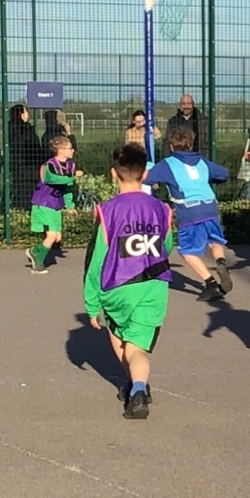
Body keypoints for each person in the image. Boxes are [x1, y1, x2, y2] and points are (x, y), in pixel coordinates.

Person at [83, 143, 176, 420]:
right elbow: (167, 246)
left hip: (117, 285)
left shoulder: (106, 211)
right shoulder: (162, 209)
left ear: (114, 173)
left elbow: (96, 260)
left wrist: (91, 303)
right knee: (137, 348)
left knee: (121, 340)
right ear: (145, 173)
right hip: (153, 285)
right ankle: (138, 388)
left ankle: (136, 385)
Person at [145, 125, 233, 301]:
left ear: (171, 146)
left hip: (189, 211)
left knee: (187, 251)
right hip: (210, 207)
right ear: (191, 144)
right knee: (215, 240)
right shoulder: (202, 161)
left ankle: (211, 284)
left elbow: (146, 178)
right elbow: (223, 174)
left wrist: (149, 169)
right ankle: (221, 262)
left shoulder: (168, 164)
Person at [26, 135, 80, 274]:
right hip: (44, 203)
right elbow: (53, 180)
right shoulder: (49, 166)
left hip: (56, 204)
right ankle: (38, 263)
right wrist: (73, 177)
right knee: (51, 236)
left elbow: (67, 188)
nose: (72, 150)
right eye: (69, 148)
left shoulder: (71, 166)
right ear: (60, 150)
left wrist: (70, 205)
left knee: (57, 237)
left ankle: (34, 251)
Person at [6, 103, 43, 212]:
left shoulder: (18, 128)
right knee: (25, 191)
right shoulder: (20, 129)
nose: (28, 114)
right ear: (20, 114)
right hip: (25, 166)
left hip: (27, 165)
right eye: (26, 112)